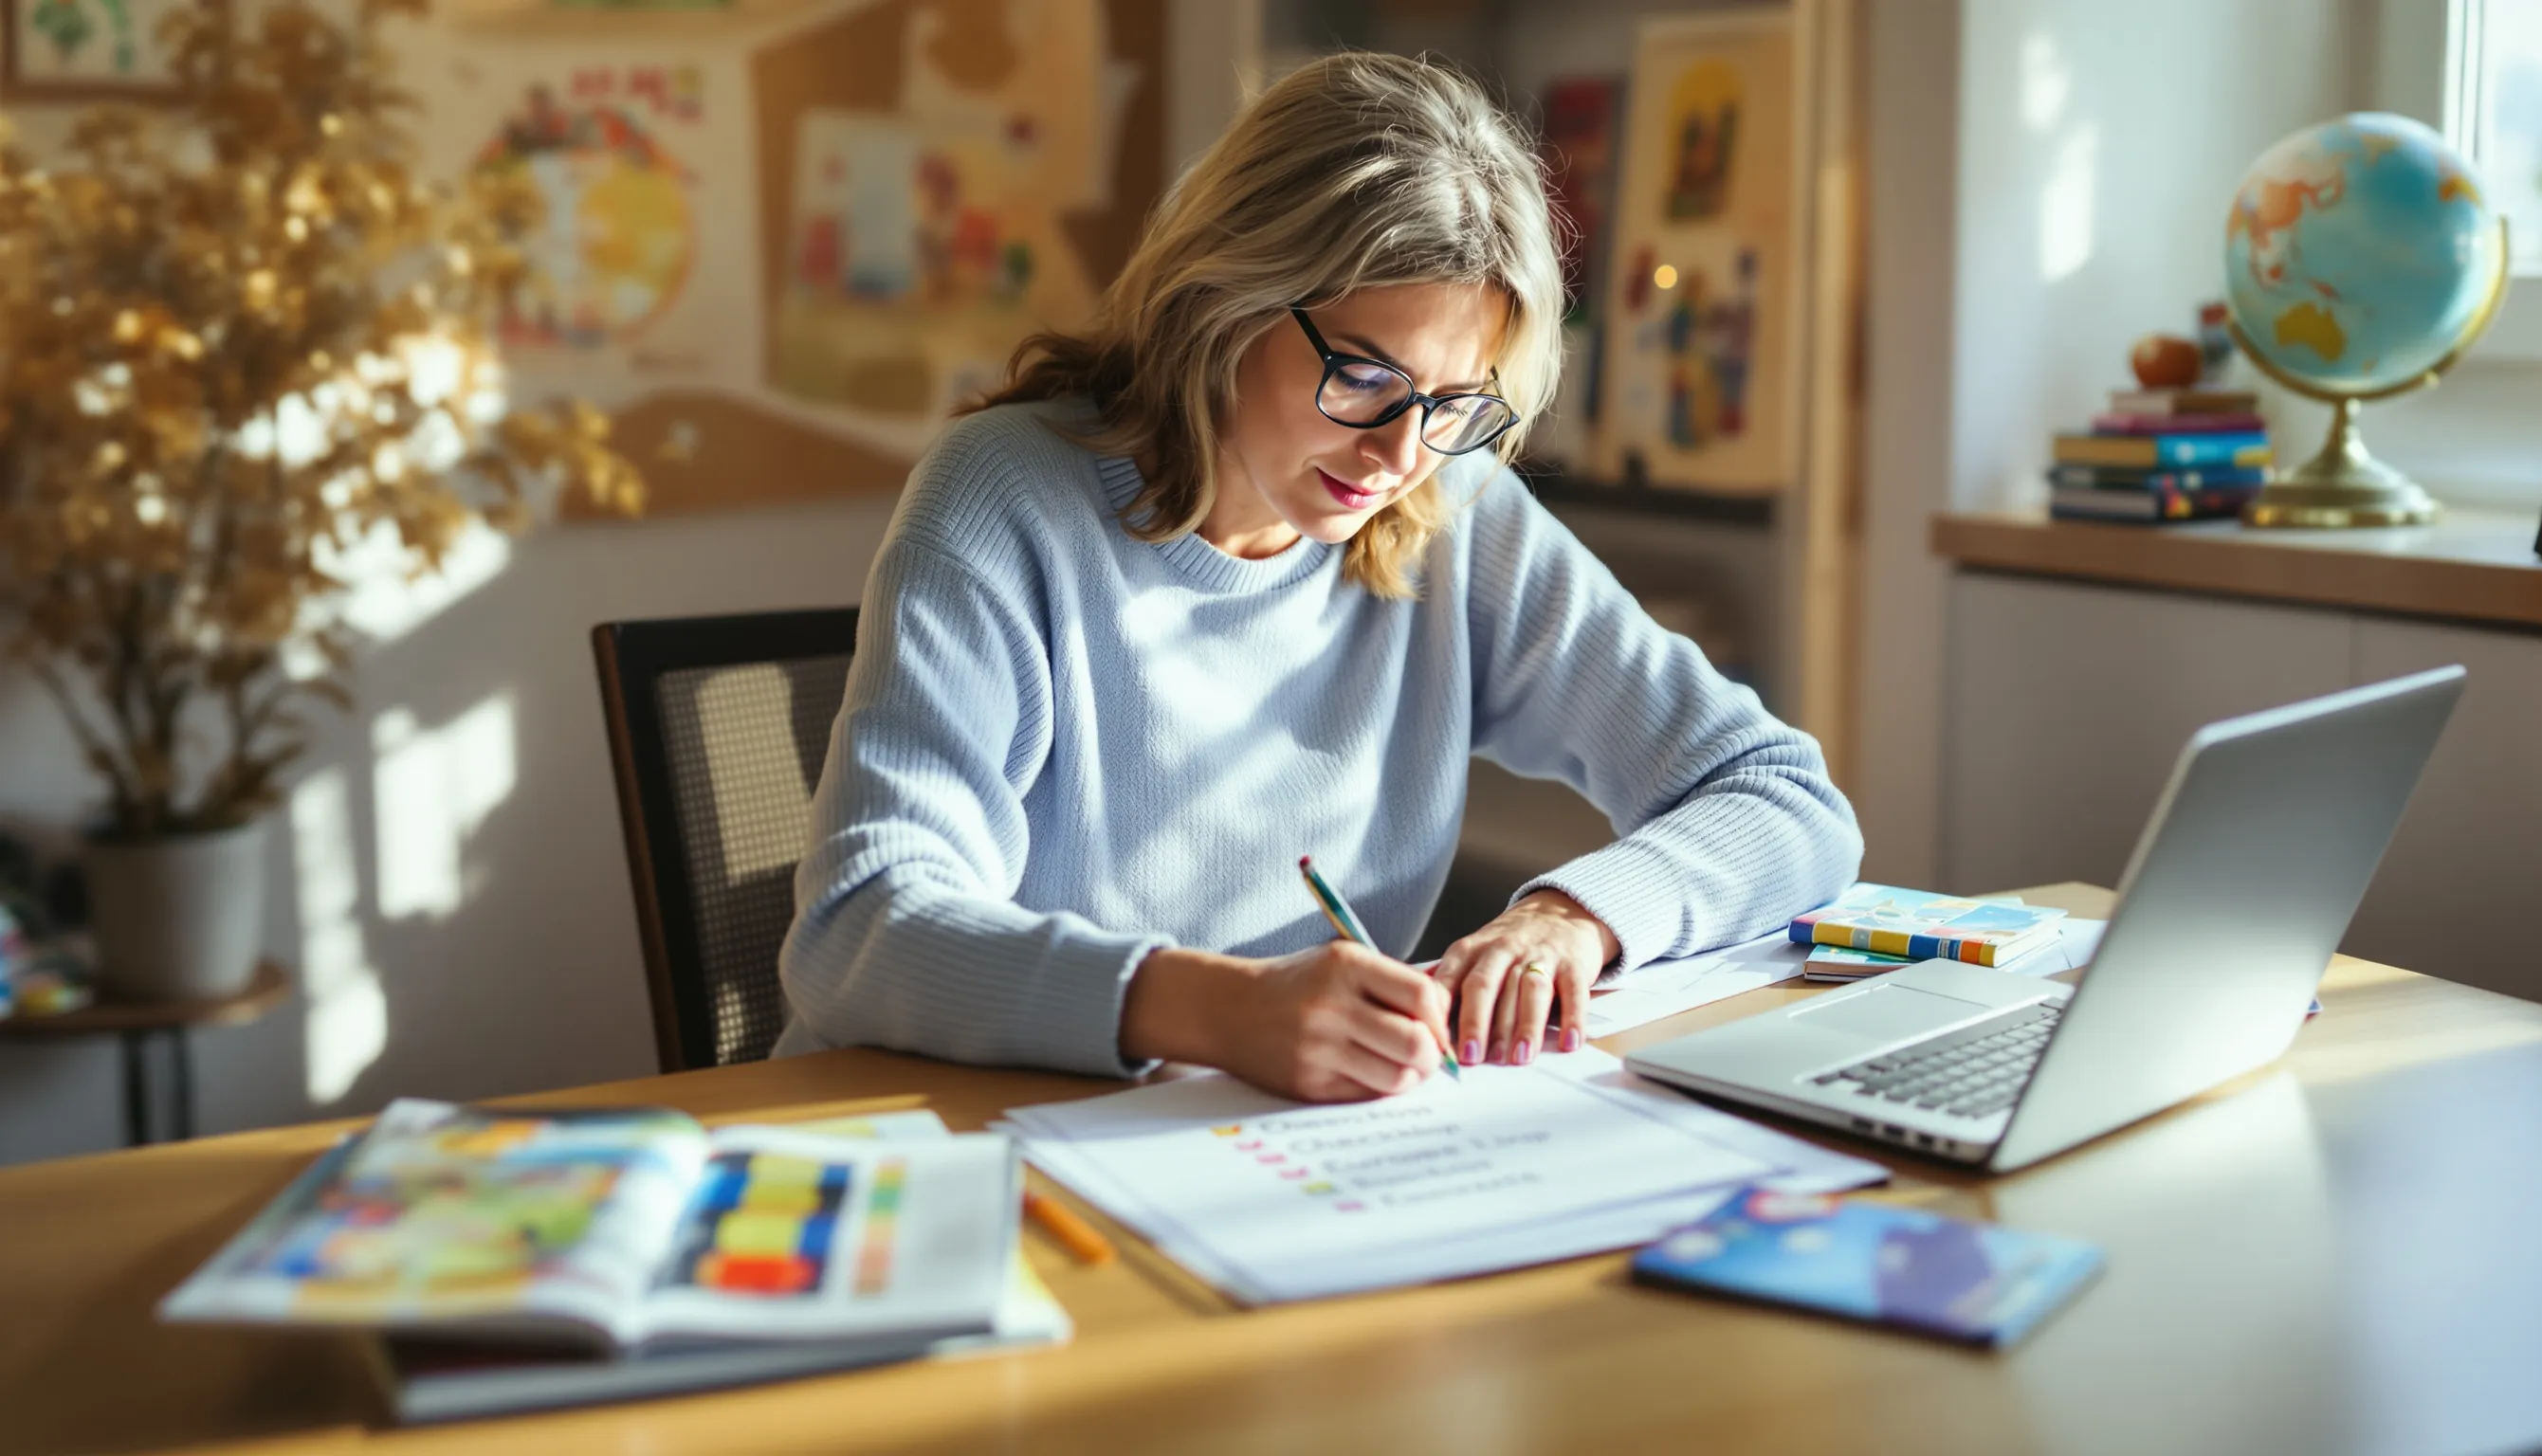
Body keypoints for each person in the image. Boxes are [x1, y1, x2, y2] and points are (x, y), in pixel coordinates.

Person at [774, 52, 1860, 1102]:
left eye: (1452, 402)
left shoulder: (1450, 504)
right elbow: (858, 928)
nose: (1399, 456)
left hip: (1244, 1144)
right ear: (1224, 301)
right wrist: (1220, 1011)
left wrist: (1575, 917)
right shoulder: (1008, 498)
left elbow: (1782, 798)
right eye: (1364, 376)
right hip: (942, 1138)